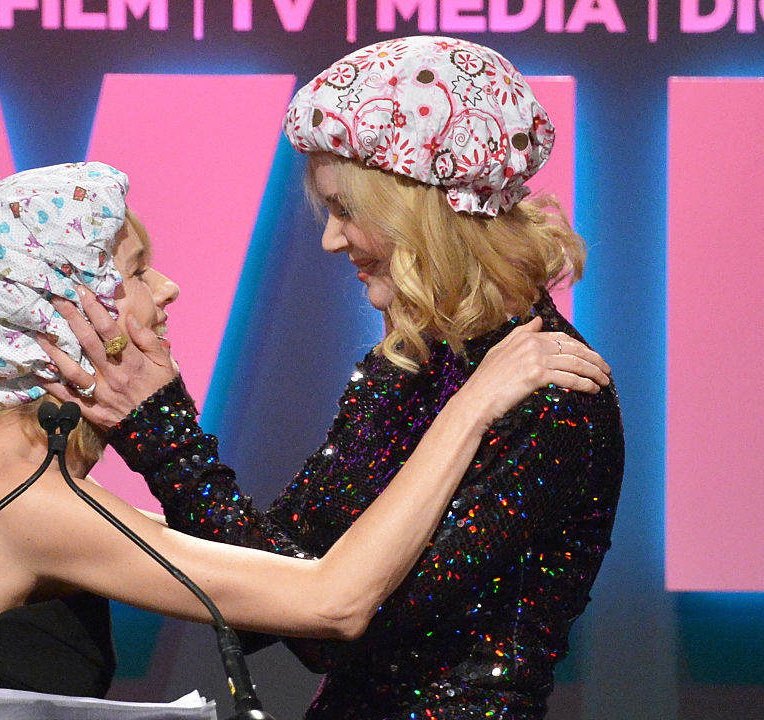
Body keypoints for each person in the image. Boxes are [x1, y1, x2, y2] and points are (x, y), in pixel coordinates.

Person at [0, 160, 610, 720]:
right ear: (63, 314)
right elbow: (331, 603)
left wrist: (162, 433)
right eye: (137, 272)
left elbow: (260, 569)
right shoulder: (26, 499)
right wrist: (472, 407)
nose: (167, 290)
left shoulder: (8, 477)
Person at [44, 37, 625, 720]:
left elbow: (337, 623)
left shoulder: (551, 393)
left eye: (346, 210)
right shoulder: (410, 364)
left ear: (423, 208)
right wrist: (140, 451)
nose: (330, 238)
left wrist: (164, 436)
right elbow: (281, 583)